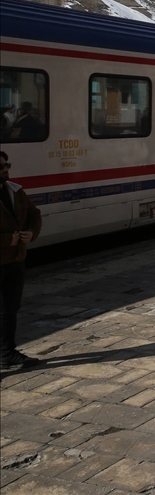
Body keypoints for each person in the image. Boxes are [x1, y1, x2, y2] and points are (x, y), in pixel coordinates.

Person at [0, 151, 42, 370]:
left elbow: (35, 215)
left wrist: (31, 234)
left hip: (15, 260)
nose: (6, 169)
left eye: (7, 165)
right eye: (1, 167)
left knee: (10, 308)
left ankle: (7, 352)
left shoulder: (15, 190)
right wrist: (8, 239)